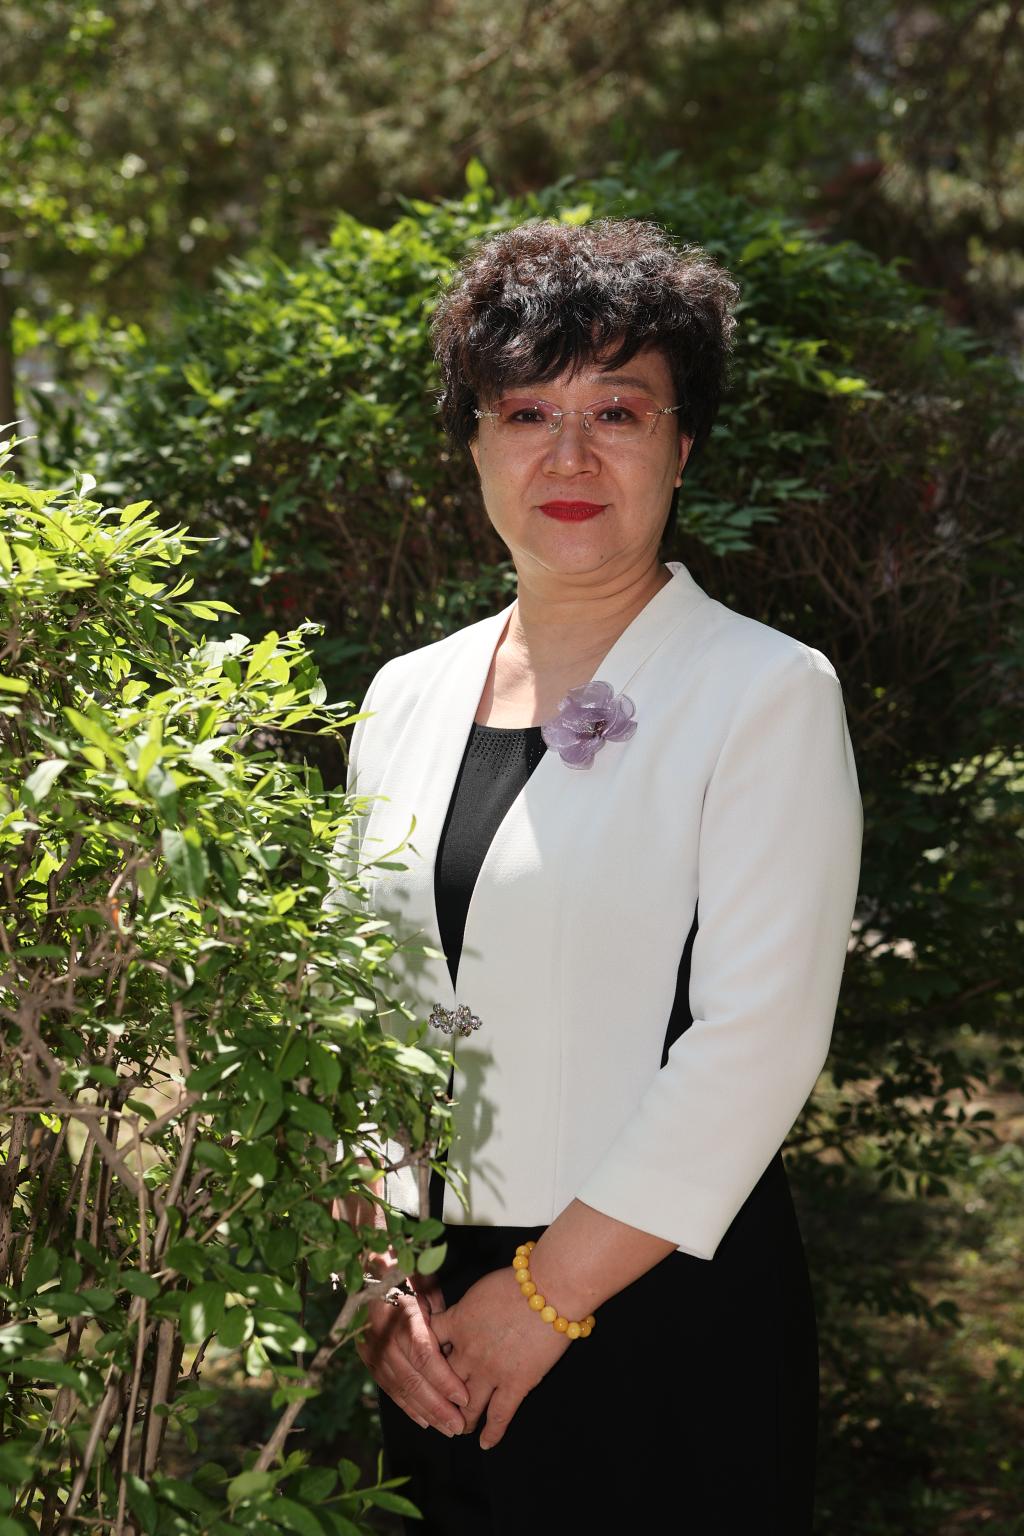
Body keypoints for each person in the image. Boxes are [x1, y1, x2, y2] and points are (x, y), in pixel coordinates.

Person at [333, 218, 863, 1534]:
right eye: (526, 412)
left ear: (681, 449)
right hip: (427, 1324)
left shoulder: (764, 691)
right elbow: (351, 1011)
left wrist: (546, 1294)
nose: (568, 456)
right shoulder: (404, 696)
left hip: (657, 1302)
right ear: (473, 444)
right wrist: (373, 1276)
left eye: (617, 411)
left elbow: (758, 1037)